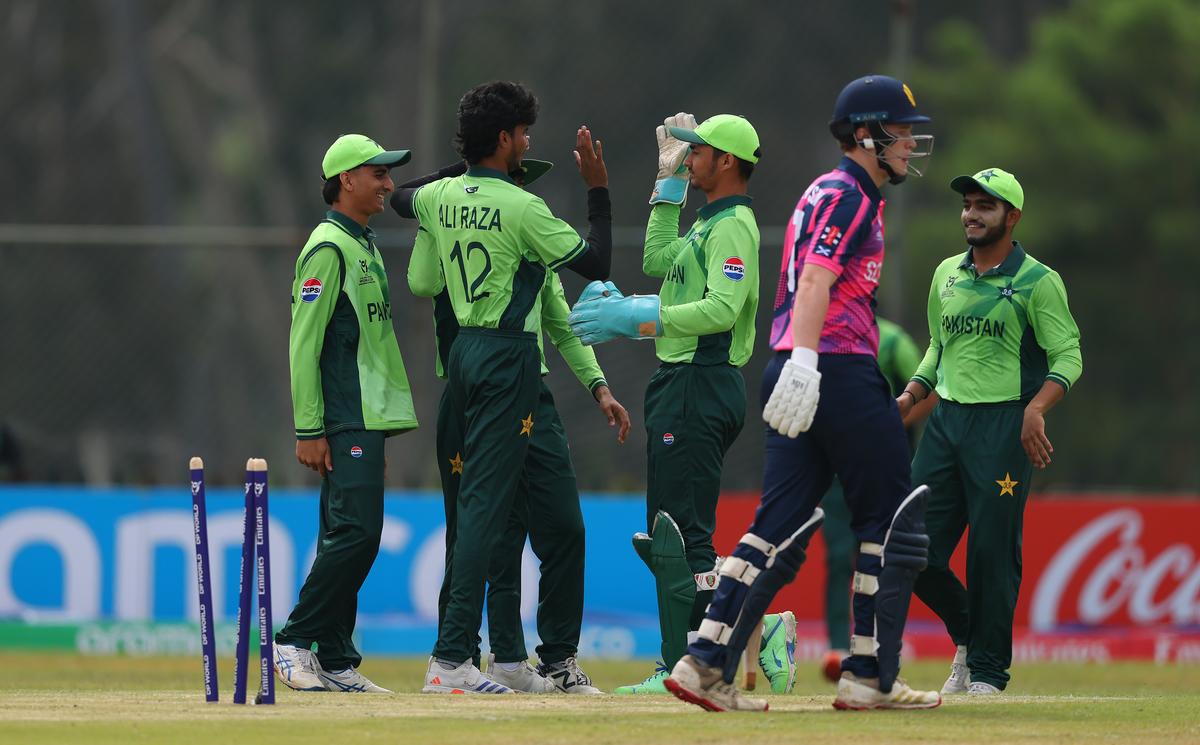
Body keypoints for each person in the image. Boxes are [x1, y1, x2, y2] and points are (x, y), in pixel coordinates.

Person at [660, 75, 942, 712]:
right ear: (866, 135)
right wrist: (811, 363)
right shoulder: (850, 195)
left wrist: (797, 363)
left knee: (776, 526)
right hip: (834, 368)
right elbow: (816, 279)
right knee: (893, 521)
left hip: (797, 364)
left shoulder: (823, 189)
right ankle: (871, 673)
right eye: (900, 133)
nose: (909, 145)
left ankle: (703, 661)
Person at [390, 80, 614, 694]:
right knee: (485, 511)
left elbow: (400, 199)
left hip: (469, 352)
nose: (528, 143)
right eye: (522, 134)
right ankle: (450, 660)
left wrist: (457, 172)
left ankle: (522, 662)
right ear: (503, 139)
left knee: (522, 517)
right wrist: (598, 188)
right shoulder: (522, 209)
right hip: (506, 354)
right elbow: (598, 262)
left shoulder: (439, 197)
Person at [569, 113, 794, 696]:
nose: (689, 158)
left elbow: (721, 309)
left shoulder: (733, 226)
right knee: (671, 535)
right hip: (682, 382)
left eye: (696, 153)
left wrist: (637, 318)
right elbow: (654, 260)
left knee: (678, 536)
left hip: (701, 381)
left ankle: (683, 664)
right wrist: (667, 185)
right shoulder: (708, 221)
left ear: (727, 161)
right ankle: (753, 631)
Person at [901, 168, 1082, 696]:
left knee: (990, 555)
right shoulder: (946, 274)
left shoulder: (1038, 281)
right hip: (946, 424)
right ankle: (968, 637)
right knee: (908, 546)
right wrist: (911, 394)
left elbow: (1068, 355)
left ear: (1012, 216)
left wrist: (1037, 408)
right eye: (968, 205)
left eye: (985, 206)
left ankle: (987, 672)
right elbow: (938, 346)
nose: (971, 214)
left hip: (1004, 426)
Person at [273, 133, 417, 694]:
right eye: (377, 174)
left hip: (364, 414)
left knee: (345, 532)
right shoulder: (328, 248)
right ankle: (293, 641)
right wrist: (309, 427)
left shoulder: (362, 244)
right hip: (341, 413)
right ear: (346, 180)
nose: (388, 184)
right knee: (358, 532)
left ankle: (333, 658)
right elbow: (303, 343)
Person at [817, 315, 926, 683]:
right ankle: (837, 648)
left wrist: (889, 428)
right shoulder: (825, 335)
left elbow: (930, 392)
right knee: (837, 558)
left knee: (882, 555)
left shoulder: (893, 341)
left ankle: (880, 646)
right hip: (837, 469)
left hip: (883, 466)